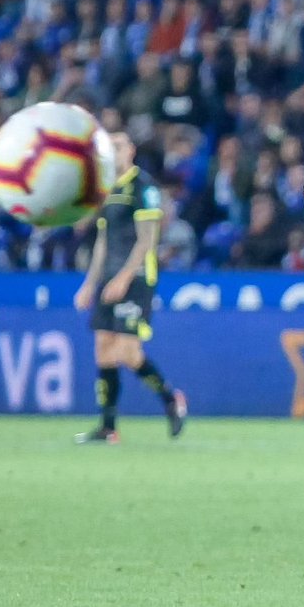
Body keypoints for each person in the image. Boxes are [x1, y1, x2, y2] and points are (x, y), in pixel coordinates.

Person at [73, 132, 187, 444]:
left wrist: (124, 277)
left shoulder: (144, 187)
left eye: (119, 146)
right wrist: (88, 284)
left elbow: (147, 240)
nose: (114, 152)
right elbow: (102, 242)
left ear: (131, 151)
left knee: (126, 350)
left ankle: (169, 399)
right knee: (103, 348)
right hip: (108, 280)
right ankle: (109, 427)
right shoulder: (107, 189)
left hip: (135, 280)